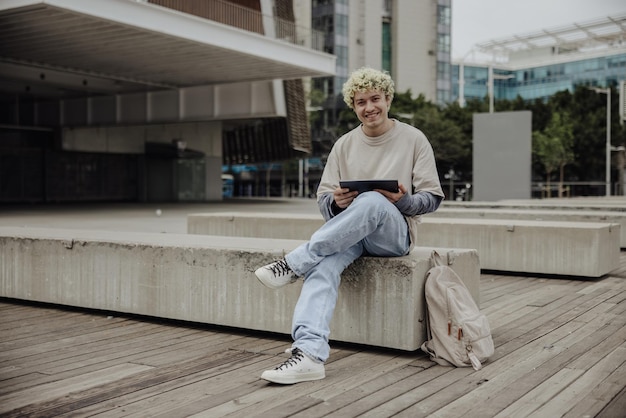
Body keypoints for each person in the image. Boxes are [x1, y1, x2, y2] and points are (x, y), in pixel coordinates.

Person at [254, 67, 444, 385]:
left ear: (388, 99)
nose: (369, 107)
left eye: (375, 99)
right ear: (352, 106)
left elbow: (432, 198)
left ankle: (292, 263)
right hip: (351, 232)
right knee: (323, 264)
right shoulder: (344, 144)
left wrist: (400, 200)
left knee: (371, 202)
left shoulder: (413, 139)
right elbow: (324, 199)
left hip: (394, 235)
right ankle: (309, 354)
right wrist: (336, 203)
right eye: (360, 102)